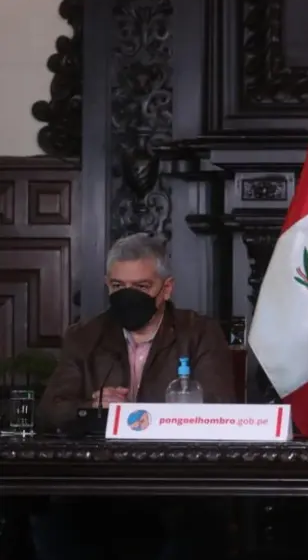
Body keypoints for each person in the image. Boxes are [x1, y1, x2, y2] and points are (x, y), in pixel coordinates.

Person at [31, 233, 235, 560]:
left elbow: (219, 408)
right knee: (53, 525)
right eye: (118, 286)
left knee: (198, 527)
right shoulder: (85, 336)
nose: (128, 296)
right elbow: (50, 410)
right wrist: (91, 406)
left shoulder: (198, 333)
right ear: (107, 285)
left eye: (140, 287)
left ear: (166, 289)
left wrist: (138, 418)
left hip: (176, 485)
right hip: (99, 486)